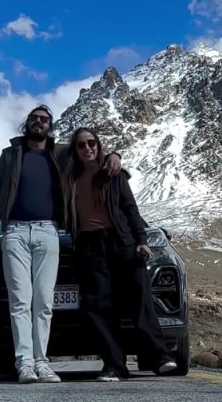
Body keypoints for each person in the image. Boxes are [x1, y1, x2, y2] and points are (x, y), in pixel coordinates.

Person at [0, 106, 122, 384]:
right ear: (27, 123)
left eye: (44, 120)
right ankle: (25, 364)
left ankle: (42, 363)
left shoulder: (60, 154)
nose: (39, 123)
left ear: (50, 126)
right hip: (15, 232)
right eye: (34, 118)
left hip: (48, 231)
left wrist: (114, 155)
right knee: (20, 301)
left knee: (44, 302)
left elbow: (90, 151)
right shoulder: (10, 155)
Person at [65, 126, 177, 382]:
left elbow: (130, 209)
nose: (87, 148)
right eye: (81, 145)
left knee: (139, 297)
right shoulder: (69, 178)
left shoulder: (114, 174)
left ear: (98, 144)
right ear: (75, 150)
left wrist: (141, 240)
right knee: (99, 306)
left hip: (121, 242)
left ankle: (159, 357)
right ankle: (115, 365)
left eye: (91, 143)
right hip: (90, 247)